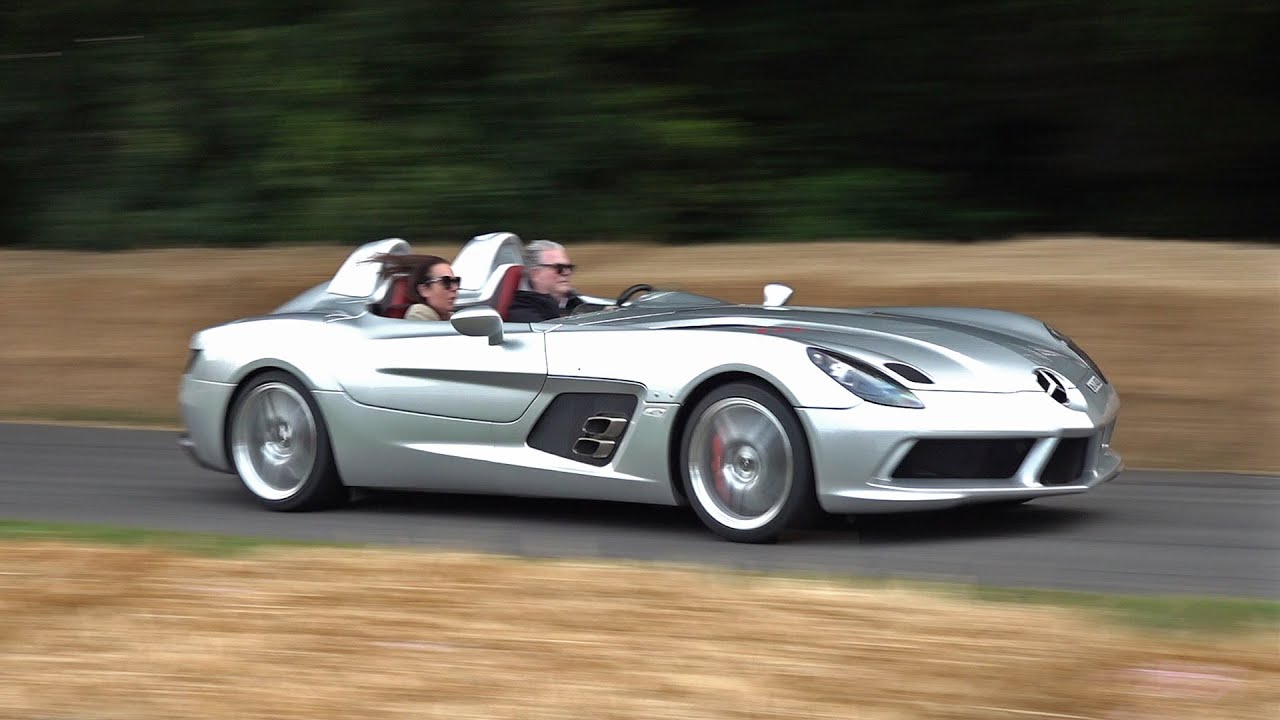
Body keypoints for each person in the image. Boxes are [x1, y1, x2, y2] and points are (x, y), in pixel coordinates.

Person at [507, 239, 584, 322]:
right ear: (535, 274)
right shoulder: (524, 316)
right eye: (559, 268)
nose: (567, 272)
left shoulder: (574, 302)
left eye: (569, 267)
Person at [373, 253, 459, 321]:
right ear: (424, 290)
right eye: (446, 281)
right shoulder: (420, 313)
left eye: (455, 281)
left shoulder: (450, 317)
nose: (454, 288)